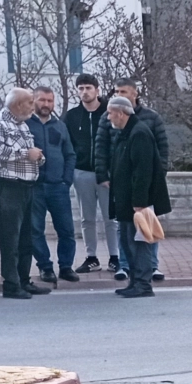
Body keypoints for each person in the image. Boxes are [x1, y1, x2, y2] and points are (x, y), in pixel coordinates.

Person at [96, 78, 169, 282]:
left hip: (137, 199)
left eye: (110, 112)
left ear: (121, 113)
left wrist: (139, 202)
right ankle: (134, 278)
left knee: (141, 239)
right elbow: (104, 151)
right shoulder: (124, 130)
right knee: (128, 238)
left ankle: (144, 279)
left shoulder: (140, 132)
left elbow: (143, 170)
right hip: (124, 193)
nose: (107, 116)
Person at [0, 88, 46, 299]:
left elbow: (30, 154)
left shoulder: (22, 123)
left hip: (27, 186)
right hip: (8, 186)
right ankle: (11, 285)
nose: (33, 105)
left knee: (26, 238)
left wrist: (37, 157)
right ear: (18, 104)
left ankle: (24, 280)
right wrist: (26, 154)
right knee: (10, 238)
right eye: (30, 102)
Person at [24, 85, 78, 286]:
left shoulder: (60, 126)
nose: (46, 104)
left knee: (66, 229)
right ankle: (45, 267)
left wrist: (66, 180)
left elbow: (70, 154)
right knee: (35, 230)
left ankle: (66, 267)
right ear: (34, 101)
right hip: (34, 187)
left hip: (58, 187)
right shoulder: (25, 125)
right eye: (42, 100)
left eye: (49, 100)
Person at [64, 74, 116, 274]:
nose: (84, 92)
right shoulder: (72, 116)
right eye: (81, 88)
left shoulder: (108, 112)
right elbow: (67, 145)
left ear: (97, 90)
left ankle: (115, 257)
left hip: (107, 174)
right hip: (82, 172)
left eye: (88, 87)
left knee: (111, 217)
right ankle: (91, 257)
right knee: (87, 218)